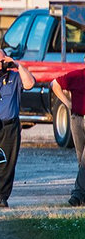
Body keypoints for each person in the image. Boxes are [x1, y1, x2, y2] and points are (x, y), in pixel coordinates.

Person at [0, 49, 35, 207]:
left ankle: (0, 196)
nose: (2, 64)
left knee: (7, 164)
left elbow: (30, 84)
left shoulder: (14, 77)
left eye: (4, 60)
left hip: (10, 126)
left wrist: (17, 65)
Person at [51, 66, 85, 207]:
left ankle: (77, 195)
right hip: (76, 119)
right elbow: (54, 84)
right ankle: (82, 194)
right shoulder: (76, 75)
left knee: (84, 160)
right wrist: (67, 103)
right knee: (80, 157)